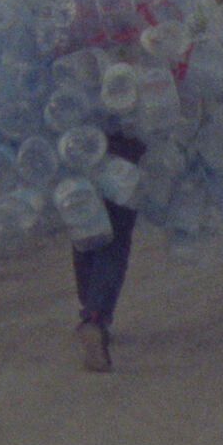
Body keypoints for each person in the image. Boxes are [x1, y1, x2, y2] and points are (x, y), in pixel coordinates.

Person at [73, 130, 146, 372]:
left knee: (85, 227)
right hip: (122, 153)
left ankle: (90, 308)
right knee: (114, 239)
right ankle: (95, 317)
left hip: (78, 145)